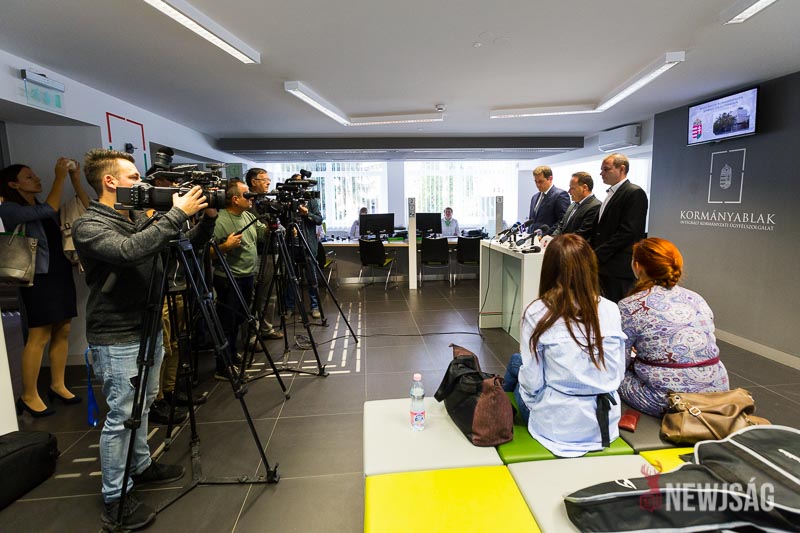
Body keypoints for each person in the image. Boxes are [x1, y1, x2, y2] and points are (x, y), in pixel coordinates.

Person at [73, 148, 216, 529]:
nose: (142, 182)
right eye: (134, 177)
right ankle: (115, 497)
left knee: (144, 404)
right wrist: (175, 214)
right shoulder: (89, 225)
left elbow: (181, 246)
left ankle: (140, 465)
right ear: (110, 181)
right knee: (122, 415)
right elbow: (128, 251)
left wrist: (206, 219)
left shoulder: (137, 217)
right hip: (116, 334)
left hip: (148, 324)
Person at [502, 234, 626, 457]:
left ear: (548, 269)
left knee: (517, 366)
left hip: (556, 426)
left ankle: (499, 402)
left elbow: (532, 382)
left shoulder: (537, 312)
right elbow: (617, 374)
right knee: (517, 363)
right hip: (604, 425)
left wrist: (535, 400)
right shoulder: (611, 309)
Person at [0, 158, 89, 417]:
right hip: (37, 277)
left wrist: (74, 178)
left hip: (58, 273)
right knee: (39, 335)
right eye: (29, 177)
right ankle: (28, 395)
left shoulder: (38, 204)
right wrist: (60, 177)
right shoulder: (9, 209)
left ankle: (57, 384)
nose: (37, 179)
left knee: (63, 329)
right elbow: (50, 208)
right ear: (13, 184)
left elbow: (71, 209)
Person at [618, 237, 729, 416]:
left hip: (670, 400)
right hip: (717, 392)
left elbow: (618, 363)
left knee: (615, 378)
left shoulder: (629, 305)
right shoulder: (697, 298)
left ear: (637, 266)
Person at [212, 178, 266, 379]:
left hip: (247, 276)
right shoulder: (220, 221)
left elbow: (261, 235)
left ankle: (232, 354)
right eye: (247, 194)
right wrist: (226, 246)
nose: (251, 198)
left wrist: (271, 227)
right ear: (235, 199)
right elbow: (205, 252)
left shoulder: (247, 216)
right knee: (227, 322)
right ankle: (223, 366)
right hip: (228, 279)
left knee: (238, 320)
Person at [591, 153, 648, 303]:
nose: (601, 173)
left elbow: (628, 232)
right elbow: (599, 230)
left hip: (618, 268)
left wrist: (597, 254)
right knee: (603, 308)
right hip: (603, 266)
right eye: (601, 170)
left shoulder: (634, 193)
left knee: (618, 309)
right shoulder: (610, 194)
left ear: (622, 169)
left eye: (606, 169)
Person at [244, 168, 283, 344]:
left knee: (270, 294)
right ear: (253, 182)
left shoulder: (267, 202)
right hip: (256, 253)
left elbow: (276, 224)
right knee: (253, 296)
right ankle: (253, 334)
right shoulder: (247, 203)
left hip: (272, 251)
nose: (268, 182)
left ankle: (267, 329)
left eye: (268, 179)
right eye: (264, 179)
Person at [284, 173, 323, 319]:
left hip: (308, 245)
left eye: (302, 184)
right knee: (290, 278)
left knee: (312, 278)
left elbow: (319, 219)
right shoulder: (286, 201)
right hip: (291, 245)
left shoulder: (311, 200)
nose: (300, 187)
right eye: (296, 184)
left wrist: (307, 214)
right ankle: (289, 307)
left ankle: (315, 307)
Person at [550, 172, 601, 240]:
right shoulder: (573, 204)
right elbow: (561, 226)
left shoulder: (595, 206)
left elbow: (582, 234)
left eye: (572, 188)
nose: (569, 191)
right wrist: (552, 238)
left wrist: (560, 242)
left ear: (584, 187)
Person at [527, 165, 569, 234]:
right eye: (536, 181)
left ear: (550, 179)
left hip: (549, 238)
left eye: (540, 181)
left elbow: (562, 222)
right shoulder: (534, 197)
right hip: (533, 238)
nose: (538, 185)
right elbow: (531, 221)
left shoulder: (560, 195)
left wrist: (544, 235)